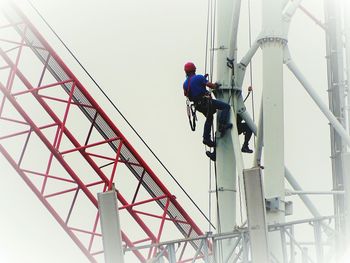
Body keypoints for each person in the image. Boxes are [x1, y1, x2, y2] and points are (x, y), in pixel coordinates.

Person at [183, 62, 232, 161]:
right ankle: (222, 125)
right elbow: (212, 86)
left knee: (209, 118)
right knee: (226, 107)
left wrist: (201, 85)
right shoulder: (199, 78)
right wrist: (215, 85)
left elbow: (188, 94)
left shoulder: (185, 83)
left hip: (198, 106)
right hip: (206, 102)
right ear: (194, 70)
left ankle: (206, 138)